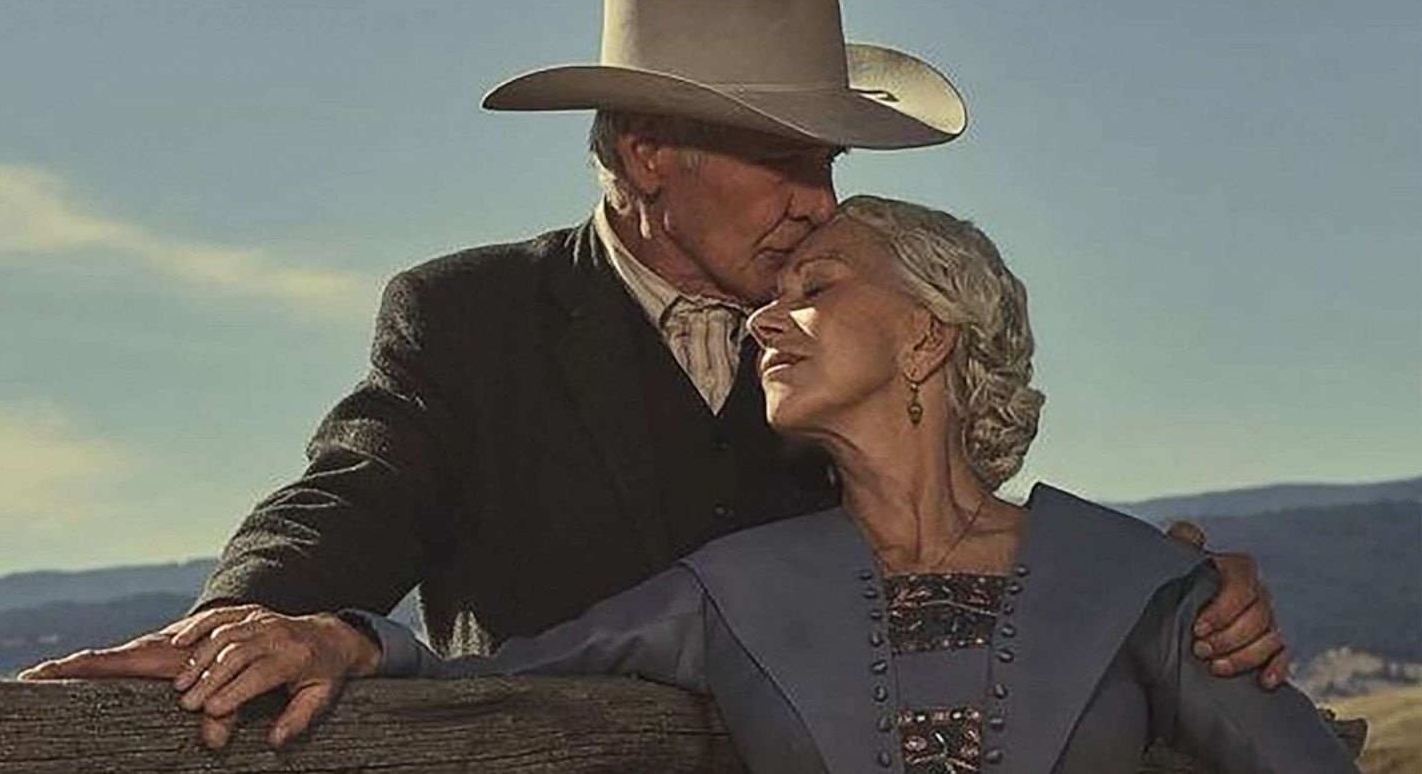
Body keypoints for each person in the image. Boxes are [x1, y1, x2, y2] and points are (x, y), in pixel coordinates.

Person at [18, 0, 1288, 751]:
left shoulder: (836, 340)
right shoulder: (471, 318)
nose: (816, 201)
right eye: (784, 157)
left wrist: (1178, 586)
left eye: (828, 163)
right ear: (647, 149)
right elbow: (354, 494)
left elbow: (973, 544)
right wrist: (267, 615)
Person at [310, 197, 1351, 773]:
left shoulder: (1132, 579)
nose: (765, 316)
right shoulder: (728, 590)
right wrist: (344, 635)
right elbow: (487, 681)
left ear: (923, 336)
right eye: (773, 296)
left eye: (815, 291)